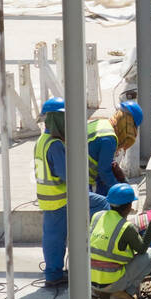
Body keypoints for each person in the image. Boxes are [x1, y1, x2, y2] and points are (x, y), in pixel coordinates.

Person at [34, 97, 108, 288]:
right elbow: (66, 174)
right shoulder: (56, 145)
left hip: (48, 198)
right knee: (102, 204)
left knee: (52, 237)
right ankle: (102, 252)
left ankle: (53, 273)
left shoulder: (42, 141)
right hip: (63, 198)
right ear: (57, 120)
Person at [89, 183, 151, 299]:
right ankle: (125, 292)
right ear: (129, 206)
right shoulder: (126, 227)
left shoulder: (98, 216)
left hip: (90, 280)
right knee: (150, 255)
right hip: (112, 283)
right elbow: (142, 249)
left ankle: (98, 291)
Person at [86, 101, 143, 196]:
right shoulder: (109, 138)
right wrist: (121, 191)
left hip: (73, 171)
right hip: (78, 179)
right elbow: (104, 172)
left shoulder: (103, 123)